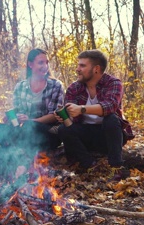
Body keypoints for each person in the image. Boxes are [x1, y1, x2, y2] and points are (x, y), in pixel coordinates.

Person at [56, 49, 134, 179]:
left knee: (111, 119)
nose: (77, 69)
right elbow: (71, 120)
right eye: (78, 65)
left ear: (96, 69)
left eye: (82, 65)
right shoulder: (74, 88)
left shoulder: (113, 83)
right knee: (63, 129)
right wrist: (64, 117)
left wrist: (81, 109)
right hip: (86, 135)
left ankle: (117, 167)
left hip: (109, 135)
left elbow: (110, 106)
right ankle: (89, 166)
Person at [7, 48, 65, 152]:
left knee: (30, 127)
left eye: (46, 62)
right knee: (0, 128)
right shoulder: (20, 87)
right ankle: (18, 153)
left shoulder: (56, 85)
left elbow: (54, 115)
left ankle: (23, 154)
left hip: (48, 132)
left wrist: (30, 121)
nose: (45, 66)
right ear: (30, 64)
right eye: (41, 63)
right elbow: (18, 113)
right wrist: (13, 119)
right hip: (26, 132)